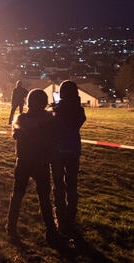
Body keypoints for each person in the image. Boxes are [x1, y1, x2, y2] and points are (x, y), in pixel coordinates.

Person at [6, 89, 58, 241]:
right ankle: (51, 230)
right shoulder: (49, 119)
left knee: (17, 194)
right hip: (41, 162)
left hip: (24, 161)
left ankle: (11, 226)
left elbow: (16, 134)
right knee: (44, 198)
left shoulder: (21, 119)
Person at [51, 80, 86, 236]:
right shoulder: (79, 111)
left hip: (57, 151)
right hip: (73, 150)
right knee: (72, 184)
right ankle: (71, 217)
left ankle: (60, 217)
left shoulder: (56, 110)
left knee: (58, 185)